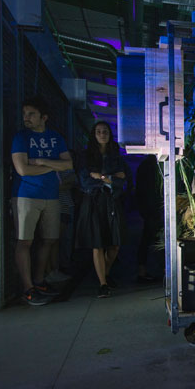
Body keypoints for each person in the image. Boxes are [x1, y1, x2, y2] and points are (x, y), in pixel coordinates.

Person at [11, 96, 73, 305]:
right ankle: (28, 288)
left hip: (51, 195)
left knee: (49, 239)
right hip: (25, 195)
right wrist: (54, 165)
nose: (26, 118)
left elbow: (69, 165)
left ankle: (39, 281)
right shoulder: (21, 137)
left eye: (31, 114)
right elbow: (22, 169)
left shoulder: (56, 137)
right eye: (25, 114)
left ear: (43, 117)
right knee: (24, 241)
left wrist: (39, 161)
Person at [75, 121, 127, 298]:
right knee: (97, 244)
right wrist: (111, 179)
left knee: (115, 244)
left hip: (111, 201)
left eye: (105, 131)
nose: (102, 134)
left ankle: (104, 274)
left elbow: (123, 181)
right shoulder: (86, 156)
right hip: (93, 201)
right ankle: (102, 283)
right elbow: (85, 181)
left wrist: (102, 177)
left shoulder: (116, 156)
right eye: (98, 131)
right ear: (94, 134)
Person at [135, 154, 163, 282]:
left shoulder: (145, 164)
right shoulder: (155, 165)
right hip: (155, 208)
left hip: (150, 208)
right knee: (155, 239)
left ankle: (143, 270)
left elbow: (139, 190)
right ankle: (163, 269)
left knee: (147, 239)